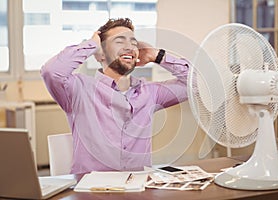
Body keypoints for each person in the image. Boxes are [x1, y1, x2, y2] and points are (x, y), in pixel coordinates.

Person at [41, 18, 190, 174]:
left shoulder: (149, 93)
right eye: (119, 42)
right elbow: (51, 71)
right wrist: (92, 45)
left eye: (134, 43)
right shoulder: (78, 89)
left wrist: (157, 56)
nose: (129, 47)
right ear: (100, 55)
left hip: (138, 189)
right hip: (91, 191)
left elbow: (196, 85)